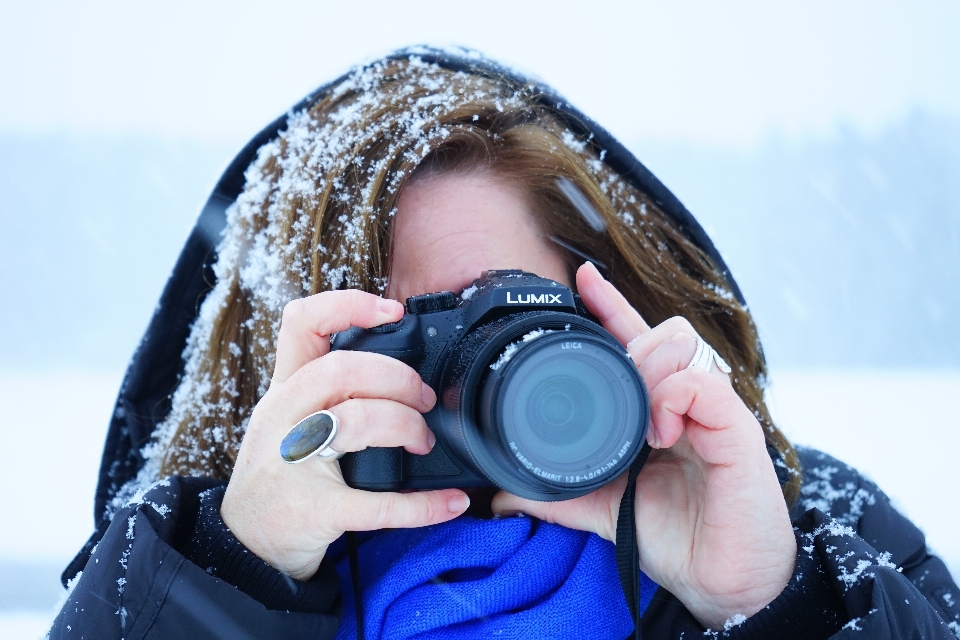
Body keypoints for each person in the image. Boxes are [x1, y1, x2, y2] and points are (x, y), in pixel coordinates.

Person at [51, 49, 960, 639]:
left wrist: (770, 607)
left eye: (512, 319)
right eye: (403, 344)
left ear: (611, 307)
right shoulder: (175, 573)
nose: (475, 381)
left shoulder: (817, 534)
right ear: (276, 381)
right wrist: (234, 575)